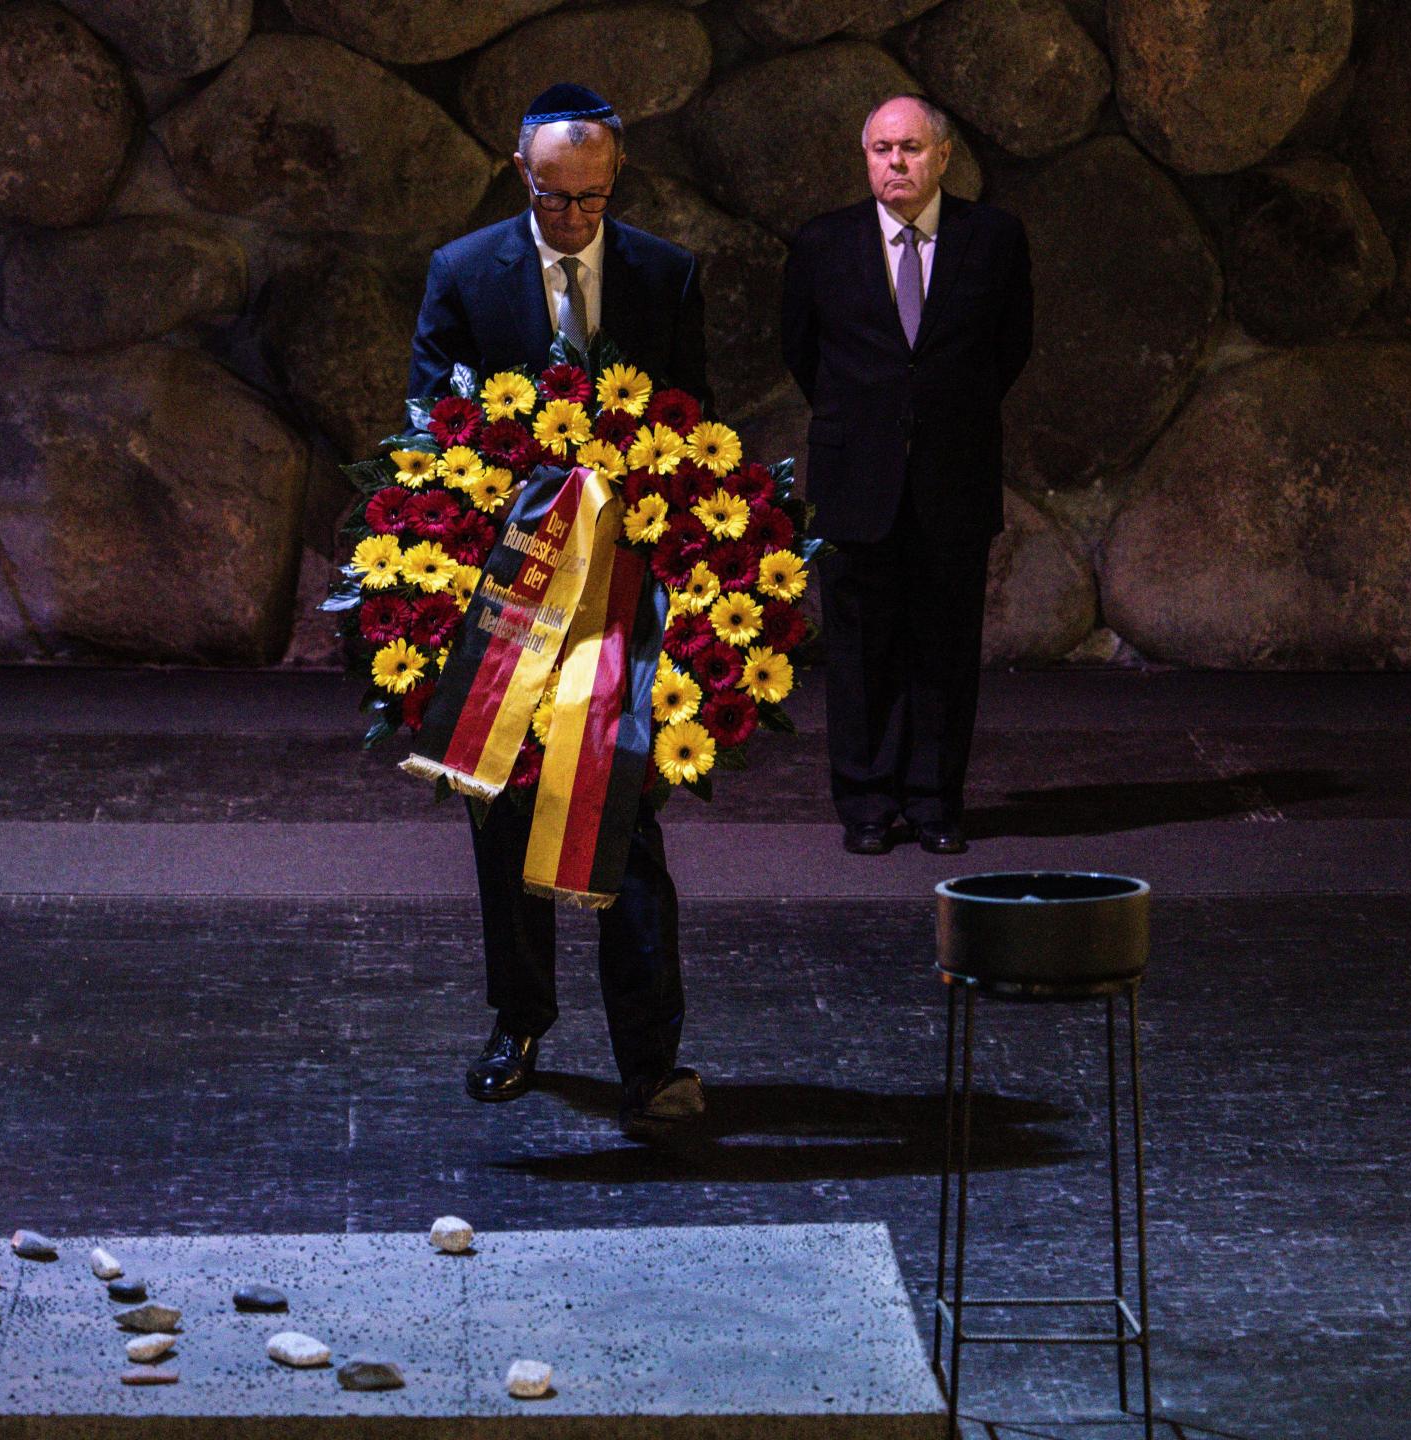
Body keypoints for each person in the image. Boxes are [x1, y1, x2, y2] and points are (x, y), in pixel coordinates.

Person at [406, 83, 711, 1143]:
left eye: (591, 199)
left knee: (619, 822)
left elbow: (693, 421)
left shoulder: (665, 276)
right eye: (552, 197)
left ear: (614, 182)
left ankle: (652, 1059)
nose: (572, 216)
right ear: (519, 172)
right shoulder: (461, 272)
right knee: (501, 816)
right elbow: (427, 430)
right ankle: (518, 1021)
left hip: (620, 597)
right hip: (505, 594)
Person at [778, 95, 1033, 856]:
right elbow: (803, 352)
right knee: (858, 652)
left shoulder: (992, 239)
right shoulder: (824, 243)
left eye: (911, 148)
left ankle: (934, 803)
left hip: (954, 477)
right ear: (865, 158)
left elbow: (1010, 347)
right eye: (882, 149)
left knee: (946, 649)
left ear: (944, 157)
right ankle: (864, 803)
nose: (896, 162)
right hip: (858, 481)